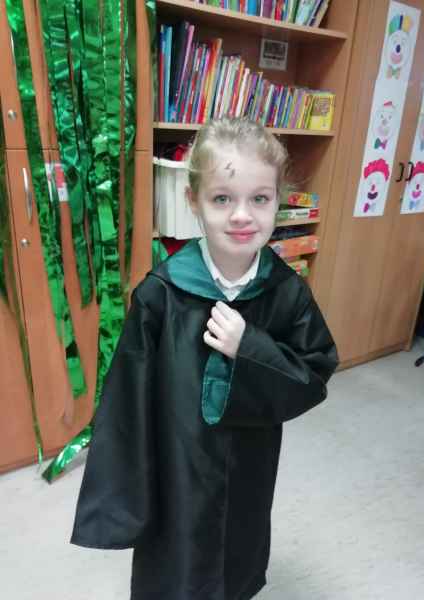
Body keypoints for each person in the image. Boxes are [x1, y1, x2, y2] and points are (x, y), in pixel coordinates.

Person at [71, 118, 338, 600]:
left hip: (250, 466)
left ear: (278, 201)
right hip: (177, 465)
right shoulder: (161, 294)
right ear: (193, 201)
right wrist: (122, 501)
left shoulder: (286, 291)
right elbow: (126, 404)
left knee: (236, 555)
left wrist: (250, 347)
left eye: (260, 198)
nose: (242, 216)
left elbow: (314, 371)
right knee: (176, 562)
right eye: (222, 199)